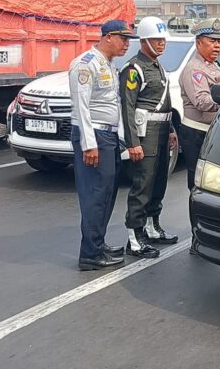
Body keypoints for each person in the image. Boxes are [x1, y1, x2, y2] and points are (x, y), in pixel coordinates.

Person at [69, 19, 137, 271]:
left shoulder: (108, 64)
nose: (126, 44)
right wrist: (89, 144)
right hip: (94, 137)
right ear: (108, 37)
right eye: (123, 39)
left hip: (107, 137)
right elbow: (81, 107)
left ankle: (97, 244)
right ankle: (90, 254)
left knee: (106, 194)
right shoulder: (85, 64)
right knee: (95, 196)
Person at [120, 17, 178, 258]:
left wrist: (172, 130)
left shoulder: (157, 66)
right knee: (142, 184)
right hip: (145, 135)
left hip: (162, 132)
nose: (161, 43)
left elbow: (165, 103)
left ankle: (152, 227)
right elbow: (128, 108)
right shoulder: (134, 69)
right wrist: (133, 143)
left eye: (163, 39)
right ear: (144, 41)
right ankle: (134, 238)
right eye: (156, 39)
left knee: (159, 183)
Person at [179, 18, 220, 190]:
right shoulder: (194, 69)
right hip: (196, 132)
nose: (217, 46)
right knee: (198, 182)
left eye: (219, 41)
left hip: (210, 130)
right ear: (199, 43)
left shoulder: (213, 66)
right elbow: (201, 101)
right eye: (212, 41)